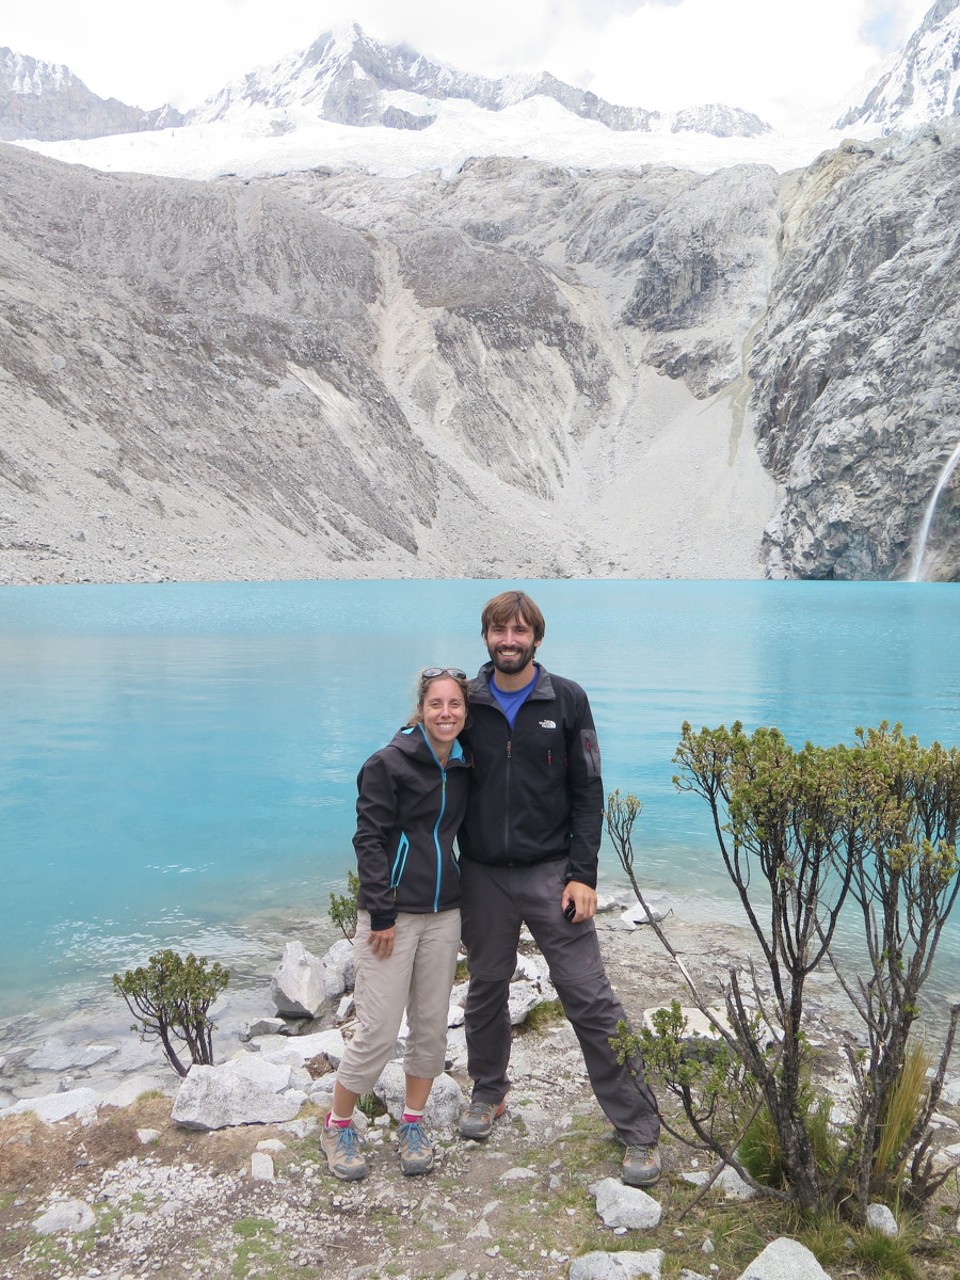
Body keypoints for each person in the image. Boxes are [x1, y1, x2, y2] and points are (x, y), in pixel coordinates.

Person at [456, 591, 661, 1187]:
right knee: (486, 990)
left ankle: (640, 1129)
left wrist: (583, 874)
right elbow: (427, 751)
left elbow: (589, 791)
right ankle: (489, 1094)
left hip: (552, 873)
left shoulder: (566, 699)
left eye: (520, 631)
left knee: (590, 999)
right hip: (483, 875)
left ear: (537, 638)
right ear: (487, 638)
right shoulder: (467, 702)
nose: (509, 640)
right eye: (499, 631)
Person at [320, 668, 471, 1181]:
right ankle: (337, 1123)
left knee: (431, 1026)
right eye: (436, 704)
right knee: (378, 1030)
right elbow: (369, 839)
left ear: (465, 712)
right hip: (391, 918)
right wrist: (380, 911)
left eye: (455, 704)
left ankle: (412, 1123)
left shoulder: (465, 765)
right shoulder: (388, 763)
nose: (446, 713)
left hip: (444, 912)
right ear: (420, 709)